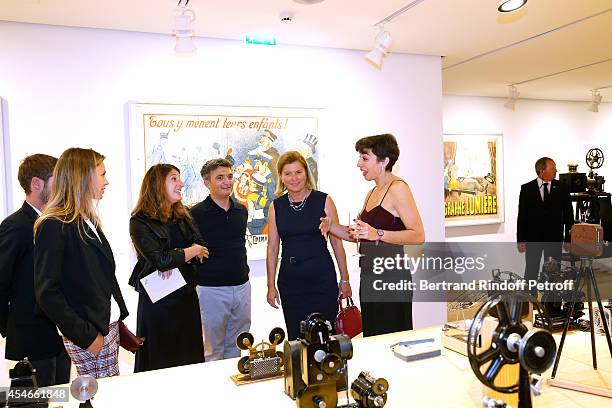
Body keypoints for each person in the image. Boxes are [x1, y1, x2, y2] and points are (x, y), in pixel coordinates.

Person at [34, 148, 129, 379]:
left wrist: (117, 319)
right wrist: (87, 337)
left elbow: (103, 277)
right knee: (97, 398)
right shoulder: (54, 224)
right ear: (83, 176)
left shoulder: (87, 219)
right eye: (102, 174)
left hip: (106, 327)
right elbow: (47, 293)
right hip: (90, 333)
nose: (106, 181)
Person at [321, 134, 425, 337]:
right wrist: (331, 225)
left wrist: (377, 233)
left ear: (384, 161)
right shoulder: (373, 192)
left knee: (392, 339)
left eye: (365, 158)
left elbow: (418, 235)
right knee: (373, 338)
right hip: (370, 277)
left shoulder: (398, 189)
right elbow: (357, 235)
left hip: (391, 278)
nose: (359, 163)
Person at [129, 164, 208, 372]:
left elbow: (203, 249)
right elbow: (162, 261)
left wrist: (177, 256)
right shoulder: (139, 221)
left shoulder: (184, 215)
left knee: (189, 361)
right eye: (174, 179)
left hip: (185, 300)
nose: (181, 183)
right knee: (160, 363)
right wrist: (189, 252)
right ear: (157, 185)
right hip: (158, 307)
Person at [0, 154, 70, 386]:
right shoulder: (16, 226)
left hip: (60, 337)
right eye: (56, 179)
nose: (63, 186)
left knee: (60, 398)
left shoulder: (58, 222)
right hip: (32, 338)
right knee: (37, 401)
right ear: (36, 184)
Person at [266, 151, 351, 340]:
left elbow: (337, 243)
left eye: (298, 172)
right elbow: (272, 248)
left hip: (322, 279)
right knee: (297, 338)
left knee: (325, 337)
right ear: (280, 176)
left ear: (306, 173)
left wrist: (345, 279)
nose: (294, 178)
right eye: (288, 173)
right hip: (291, 282)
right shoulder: (276, 206)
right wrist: (270, 285)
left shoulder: (324, 200)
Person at [191, 159, 250, 361]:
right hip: (211, 290)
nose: (227, 181)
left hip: (242, 287)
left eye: (230, 176)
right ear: (207, 183)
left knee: (237, 347)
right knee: (212, 350)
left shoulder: (241, 210)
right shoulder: (195, 214)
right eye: (220, 178)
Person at [517, 157, 573, 293]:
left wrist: (568, 239)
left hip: (554, 238)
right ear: (542, 171)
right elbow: (522, 216)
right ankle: (530, 299)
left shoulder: (562, 188)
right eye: (553, 168)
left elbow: (568, 215)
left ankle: (552, 300)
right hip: (533, 238)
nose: (556, 171)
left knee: (554, 270)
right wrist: (521, 239)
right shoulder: (526, 189)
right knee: (531, 268)